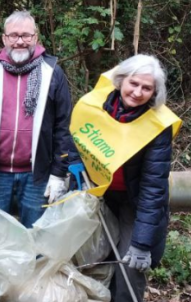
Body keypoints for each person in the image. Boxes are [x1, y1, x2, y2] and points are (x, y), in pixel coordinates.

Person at [71, 54, 178, 302]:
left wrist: (142, 243)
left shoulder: (157, 125)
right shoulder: (94, 106)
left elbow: (154, 187)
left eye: (146, 88)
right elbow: (73, 137)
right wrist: (72, 162)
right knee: (94, 261)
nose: (138, 92)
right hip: (99, 196)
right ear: (121, 81)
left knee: (129, 266)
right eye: (134, 83)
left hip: (135, 201)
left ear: (154, 93)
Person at [0, 10, 78, 228]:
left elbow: (63, 127)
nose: (20, 41)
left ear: (35, 38)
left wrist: (59, 173)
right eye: (14, 35)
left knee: (37, 242)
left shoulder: (52, 73)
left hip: (37, 176)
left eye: (26, 35)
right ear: (4, 39)